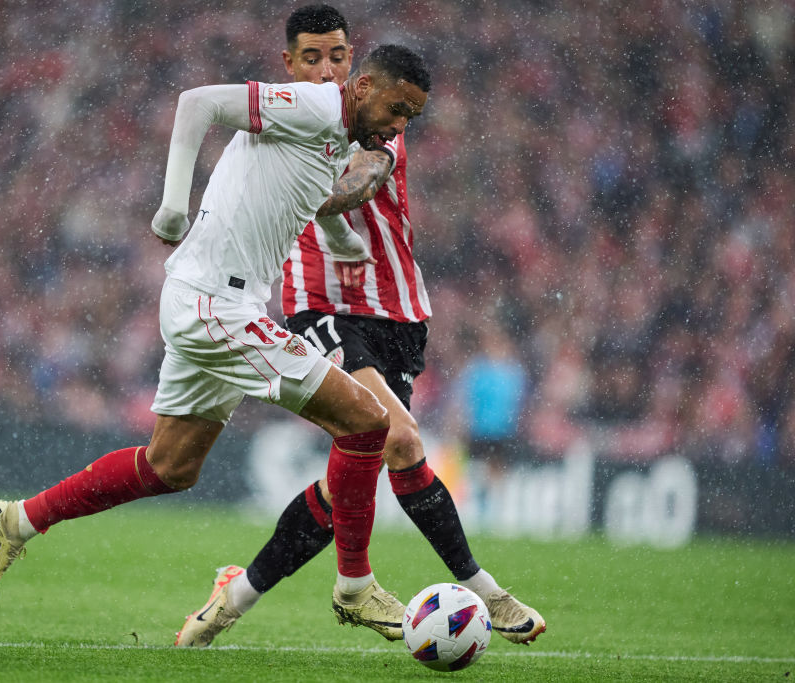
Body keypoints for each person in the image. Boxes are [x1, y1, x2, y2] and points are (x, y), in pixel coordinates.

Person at [0, 42, 432, 639]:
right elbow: (198, 103)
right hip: (219, 307)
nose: (400, 126)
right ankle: (355, 587)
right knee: (370, 424)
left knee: (170, 466)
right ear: (365, 87)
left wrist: (345, 242)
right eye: (398, 109)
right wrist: (171, 206)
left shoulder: (335, 136)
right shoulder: (318, 107)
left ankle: (15, 521)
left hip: (205, 301)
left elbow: (305, 202)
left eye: (411, 119)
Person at [174, 4, 545, 648]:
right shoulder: (296, 117)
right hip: (323, 304)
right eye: (313, 57)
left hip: (399, 311)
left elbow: (358, 175)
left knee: (353, 473)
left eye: (337, 57)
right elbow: (309, 187)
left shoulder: (376, 126)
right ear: (293, 62)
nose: (327, 68)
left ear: (355, 67)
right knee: (398, 440)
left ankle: (232, 598)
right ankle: (481, 589)